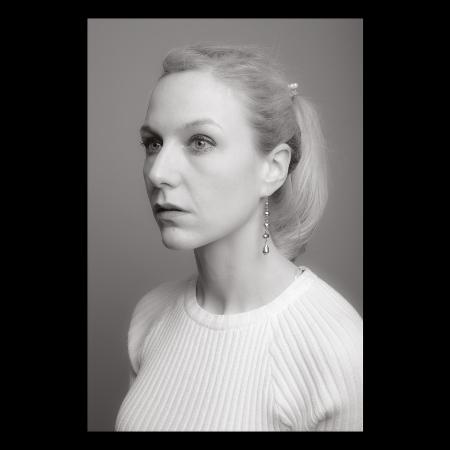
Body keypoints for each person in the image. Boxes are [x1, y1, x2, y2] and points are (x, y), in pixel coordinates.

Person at [115, 43, 363, 432]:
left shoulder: (337, 350)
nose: (158, 172)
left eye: (200, 141)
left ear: (273, 168)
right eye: (153, 143)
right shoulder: (150, 316)